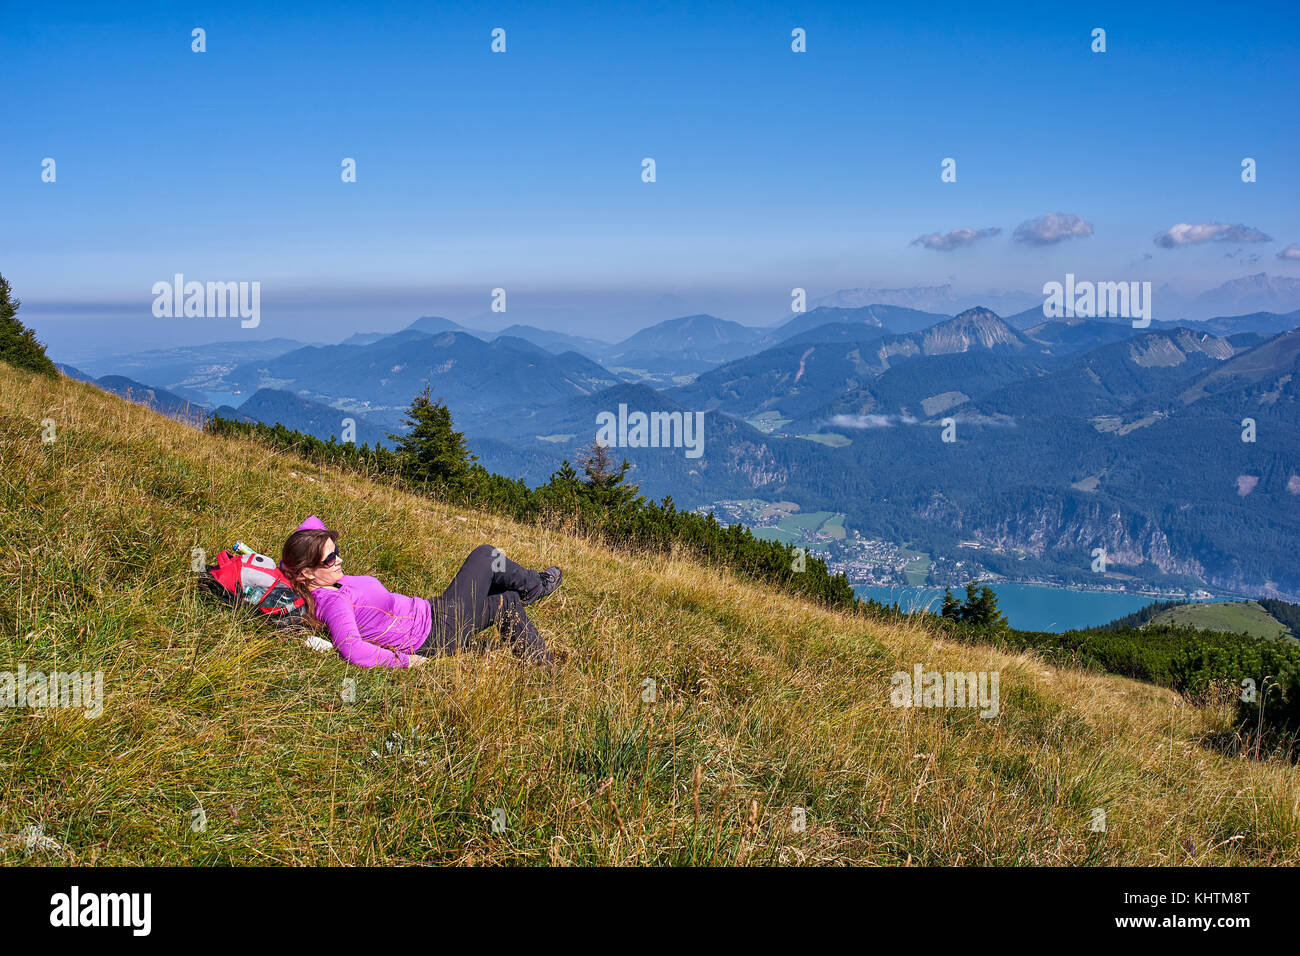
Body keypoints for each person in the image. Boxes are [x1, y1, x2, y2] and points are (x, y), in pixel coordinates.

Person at [279, 516, 561, 668]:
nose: (338, 559)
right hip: (436, 632)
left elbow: (312, 523)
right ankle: (536, 586)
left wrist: (282, 565)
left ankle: (543, 668)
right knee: (486, 555)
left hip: (435, 614)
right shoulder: (332, 600)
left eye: (336, 552)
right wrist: (407, 661)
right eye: (329, 558)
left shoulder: (324, 579)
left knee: (506, 603)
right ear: (306, 572)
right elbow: (353, 650)